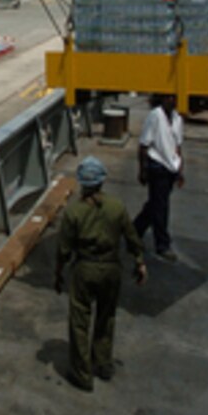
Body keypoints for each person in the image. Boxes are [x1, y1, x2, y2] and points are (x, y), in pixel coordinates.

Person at [55, 156, 147, 391]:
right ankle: (103, 362)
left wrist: (58, 273)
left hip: (85, 268)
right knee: (106, 317)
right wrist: (139, 262)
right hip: (111, 268)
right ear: (102, 181)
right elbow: (131, 237)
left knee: (79, 321)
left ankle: (82, 373)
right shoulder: (117, 207)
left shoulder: (74, 212)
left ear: (82, 183)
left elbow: (64, 249)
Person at [133, 94, 185, 262]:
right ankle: (162, 244)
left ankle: (134, 230)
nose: (172, 100)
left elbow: (177, 146)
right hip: (157, 166)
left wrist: (180, 171)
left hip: (170, 167)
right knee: (161, 207)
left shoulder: (177, 119)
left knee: (155, 204)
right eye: (169, 97)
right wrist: (143, 170)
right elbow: (143, 145)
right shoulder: (155, 116)